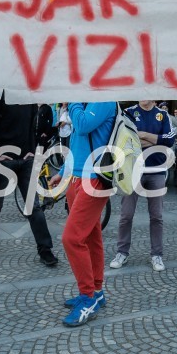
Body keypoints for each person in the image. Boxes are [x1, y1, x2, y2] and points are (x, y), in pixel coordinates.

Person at [49, 102, 116, 327]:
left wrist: (74, 101)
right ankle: (96, 291)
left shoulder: (103, 99)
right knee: (91, 237)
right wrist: (62, 172)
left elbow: (83, 125)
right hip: (77, 177)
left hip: (95, 178)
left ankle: (87, 297)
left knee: (71, 238)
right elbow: (78, 141)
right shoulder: (86, 101)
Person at [0, 95, 58, 266]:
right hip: (3, 161)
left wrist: (32, 151)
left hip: (25, 161)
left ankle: (45, 250)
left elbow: (32, 128)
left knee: (34, 206)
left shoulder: (28, 96)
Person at [110, 100, 175, 272]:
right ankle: (122, 252)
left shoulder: (163, 114)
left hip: (157, 171)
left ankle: (157, 255)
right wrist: (155, 141)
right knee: (126, 215)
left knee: (156, 216)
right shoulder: (128, 112)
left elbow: (169, 141)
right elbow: (125, 139)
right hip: (133, 171)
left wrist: (143, 134)